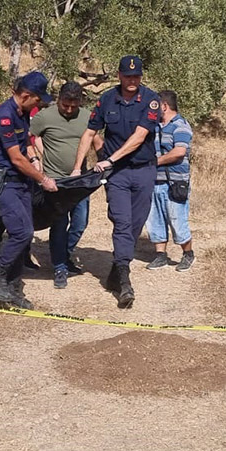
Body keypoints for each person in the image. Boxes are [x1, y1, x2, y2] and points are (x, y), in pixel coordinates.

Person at [72, 55, 162, 309]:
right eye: (127, 76)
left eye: (136, 76)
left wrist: (110, 158)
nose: (132, 80)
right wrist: (78, 167)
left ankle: (116, 266)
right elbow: (90, 132)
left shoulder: (151, 100)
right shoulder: (107, 100)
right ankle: (124, 280)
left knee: (135, 224)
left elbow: (139, 136)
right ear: (119, 76)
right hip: (118, 174)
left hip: (144, 170)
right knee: (121, 221)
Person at [0, 71, 58, 309]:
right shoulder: (4, 115)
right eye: (38, 99)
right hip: (5, 183)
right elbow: (15, 158)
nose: (40, 104)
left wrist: (34, 158)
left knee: (24, 234)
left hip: (21, 182)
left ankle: (12, 286)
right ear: (26, 95)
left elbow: (24, 143)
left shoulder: (22, 113)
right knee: (22, 232)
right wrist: (43, 178)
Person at [31, 81, 102, 289]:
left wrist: (105, 163)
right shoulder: (45, 116)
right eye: (65, 105)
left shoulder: (88, 116)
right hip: (55, 181)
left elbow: (96, 140)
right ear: (59, 99)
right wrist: (37, 161)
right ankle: (60, 266)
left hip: (80, 180)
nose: (69, 109)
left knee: (80, 222)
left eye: (74, 105)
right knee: (59, 223)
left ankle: (65, 253)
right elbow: (28, 137)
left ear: (81, 101)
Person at [146, 90, 194, 272]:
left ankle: (188, 254)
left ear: (164, 106)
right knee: (154, 219)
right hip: (154, 181)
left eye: (156, 105)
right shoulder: (155, 126)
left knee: (177, 220)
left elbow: (179, 152)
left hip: (175, 183)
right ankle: (160, 255)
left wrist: (153, 162)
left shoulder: (180, 125)